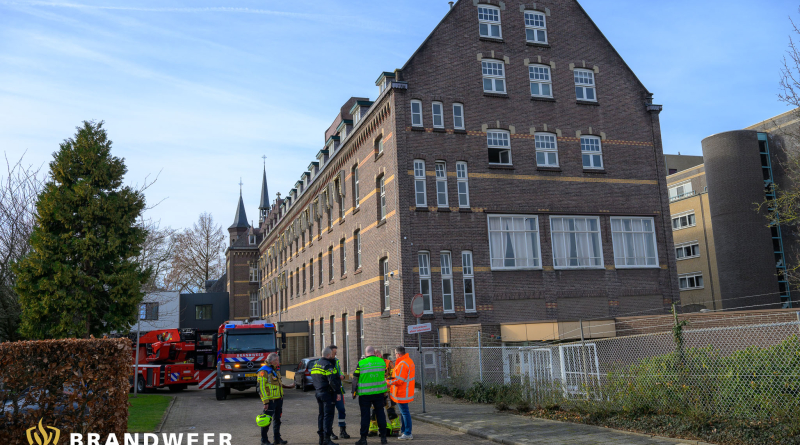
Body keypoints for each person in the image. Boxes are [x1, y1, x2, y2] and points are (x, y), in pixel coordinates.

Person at [352, 346, 388, 445]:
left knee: (365, 416)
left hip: (365, 394)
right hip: (379, 393)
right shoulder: (382, 362)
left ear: (366, 353)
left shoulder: (361, 363)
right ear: (374, 352)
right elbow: (384, 374)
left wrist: (353, 391)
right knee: (380, 414)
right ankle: (383, 438)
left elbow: (355, 378)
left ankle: (363, 439)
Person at [257, 353, 293, 445]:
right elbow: (261, 388)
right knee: (266, 421)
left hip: (278, 399)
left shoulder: (275, 369)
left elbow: (278, 384)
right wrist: (265, 402)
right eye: (277, 360)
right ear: (272, 361)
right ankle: (264, 440)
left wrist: (288, 387)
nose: (278, 362)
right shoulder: (263, 371)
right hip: (270, 401)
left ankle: (277, 438)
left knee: (277, 419)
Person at [312, 347, 343, 445]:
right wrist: (338, 392)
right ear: (328, 355)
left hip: (318, 393)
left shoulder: (315, 365)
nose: (333, 357)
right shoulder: (328, 366)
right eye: (332, 355)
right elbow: (332, 381)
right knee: (328, 416)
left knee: (321, 415)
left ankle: (321, 439)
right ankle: (327, 439)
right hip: (328, 394)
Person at [387, 346, 415, 440]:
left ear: (398, 354)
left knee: (405, 413)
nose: (395, 355)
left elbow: (399, 380)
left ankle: (407, 433)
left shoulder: (402, 364)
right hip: (406, 391)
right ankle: (404, 430)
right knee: (404, 412)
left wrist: (388, 382)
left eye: (395, 353)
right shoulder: (408, 361)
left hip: (402, 392)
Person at [329, 345, 351, 440]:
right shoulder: (324, 363)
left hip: (338, 390)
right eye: (334, 353)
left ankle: (342, 430)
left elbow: (340, 372)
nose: (336, 354)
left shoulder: (336, 361)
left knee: (341, 409)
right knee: (330, 412)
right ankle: (330, 432)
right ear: (329, 353)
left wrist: (342, 375)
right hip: (329, 392)